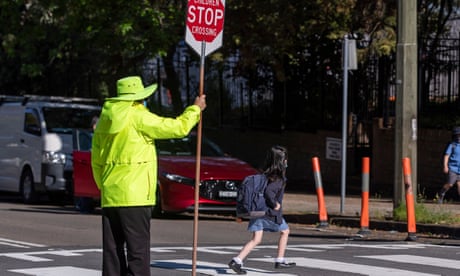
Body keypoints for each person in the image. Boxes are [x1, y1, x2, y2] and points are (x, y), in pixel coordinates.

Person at [91, 76, 206, 276]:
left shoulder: (105, 120)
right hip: (135, 196)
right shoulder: (139, 116)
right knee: (138, 252)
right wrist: (195, 109)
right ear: (138, 98)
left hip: (111, 194)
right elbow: (177, 128)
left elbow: (96, 160)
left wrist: (105, 186)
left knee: (112, 252)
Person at [228, 145, 296, 275]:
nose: (287, 162)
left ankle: (237, 261)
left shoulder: (265, 175)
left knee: (256, 239)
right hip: (268, 213)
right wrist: (275, 204)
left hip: (257, 211)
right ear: (281, 162)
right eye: (285, 159)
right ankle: (280, 260)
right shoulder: (278, 178)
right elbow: (269, 192)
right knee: (285, 231)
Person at [437, 126, 460, 204]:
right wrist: (445, 166)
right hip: (453, 168)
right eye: (457, 135)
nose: (459, 137)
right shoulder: (452, 145)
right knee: (450, 184)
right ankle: (441, 193)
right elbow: (447, 156)